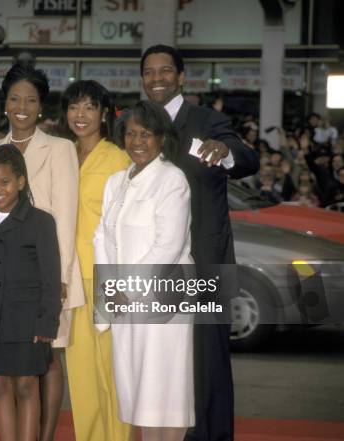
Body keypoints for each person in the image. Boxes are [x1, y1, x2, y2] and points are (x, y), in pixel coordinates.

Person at [140, 44, 260, 441]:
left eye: (165, 71)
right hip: (151, 262)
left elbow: (247, 158)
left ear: (180, 77)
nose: (157, 78)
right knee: (160, 361)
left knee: (206, 359)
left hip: (205, 259)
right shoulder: (134, 126)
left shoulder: (208, 120)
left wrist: (226, 151)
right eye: (149, 72)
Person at [0, 64, 84, 441]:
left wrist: (62, 280)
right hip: (7, 284)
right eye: (14, 98)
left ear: (41, 107)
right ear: (4, 104)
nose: (22, 106)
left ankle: (45, 435)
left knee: (48, 359)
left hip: (49, 273)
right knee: (9, 378)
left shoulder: (60, 148)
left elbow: (66, 215)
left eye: (31, 100)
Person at [94, 101, 194, 441]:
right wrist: (110, 293)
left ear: (162, 138)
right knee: (138, 388)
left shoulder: (172, 180)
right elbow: (101, 239)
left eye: (146, 134)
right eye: (131, 133)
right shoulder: (116, 182)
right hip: (124, 301)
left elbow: (168, 246)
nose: (137, 141)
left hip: (162, 299)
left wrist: (127, 290)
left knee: (164, 390)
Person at [59, 80, 132, 441]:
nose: (81, 115)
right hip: (70, 280)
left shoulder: (117, 158)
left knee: (111, 371)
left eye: (89, 107)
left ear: (104, 112)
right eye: (75, 107)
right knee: (82, 373)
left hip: (106, 278)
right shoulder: (63, 154)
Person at [0, 144, 62, 441]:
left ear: (21, 182)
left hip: (27, 321)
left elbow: (52, 279)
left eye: (5, 182)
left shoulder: (41, 222)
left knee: (27, 388)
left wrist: (47, 322)